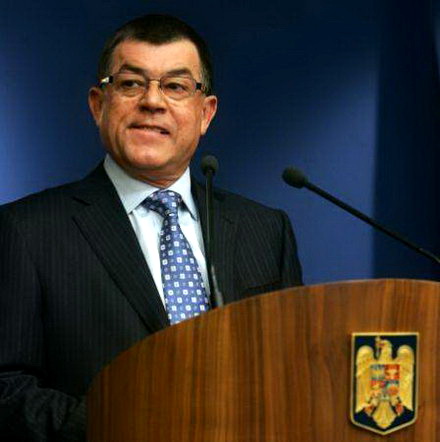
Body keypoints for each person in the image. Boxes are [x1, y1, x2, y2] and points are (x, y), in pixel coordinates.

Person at [0, 14, 302, 441]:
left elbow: (292, 374)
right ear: (98, 105)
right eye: (131, 84)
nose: (153, 102)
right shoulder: (26, 230)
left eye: (175, 86)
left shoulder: (265, 230)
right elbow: (7, 390)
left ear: (205, 113)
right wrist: (125, 426)